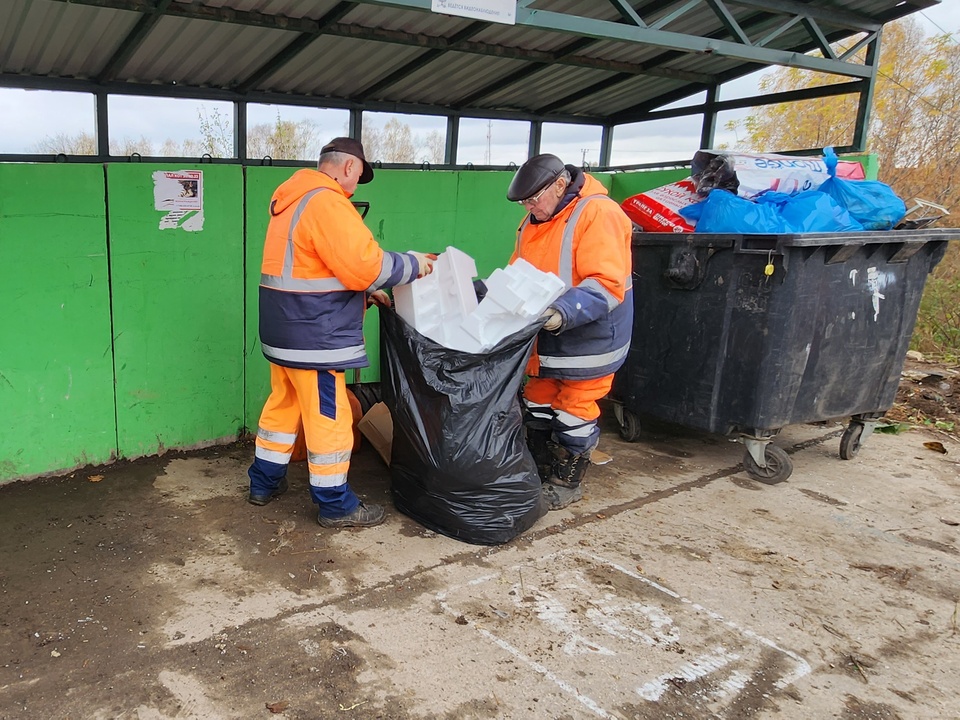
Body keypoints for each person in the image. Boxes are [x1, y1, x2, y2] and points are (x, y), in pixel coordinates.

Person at [248, 137, 436, 528]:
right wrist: (415, 264)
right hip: (314, 337)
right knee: (328, 420)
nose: (354, 188)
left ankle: (263, 484)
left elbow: (312, 269)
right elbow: (366, 265)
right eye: (357, 178)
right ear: (349, 167)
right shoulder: (328, 201)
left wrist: (362, 296)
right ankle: (336, 505)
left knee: (282, 408)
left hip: (284, 332)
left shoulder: (292, 200)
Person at [505, 153, 633, 510]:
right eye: (525, 202)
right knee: (538, 402)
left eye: (534, 199)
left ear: (560, 185)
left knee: (574, 410)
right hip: (548, 339)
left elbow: (606, 284)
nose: (530, 207)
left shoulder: (598, 213)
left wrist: (561, 312)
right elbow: (520, 275)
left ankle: (567, 480)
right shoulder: (533, 221)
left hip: (588, 339)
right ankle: (538, 468)